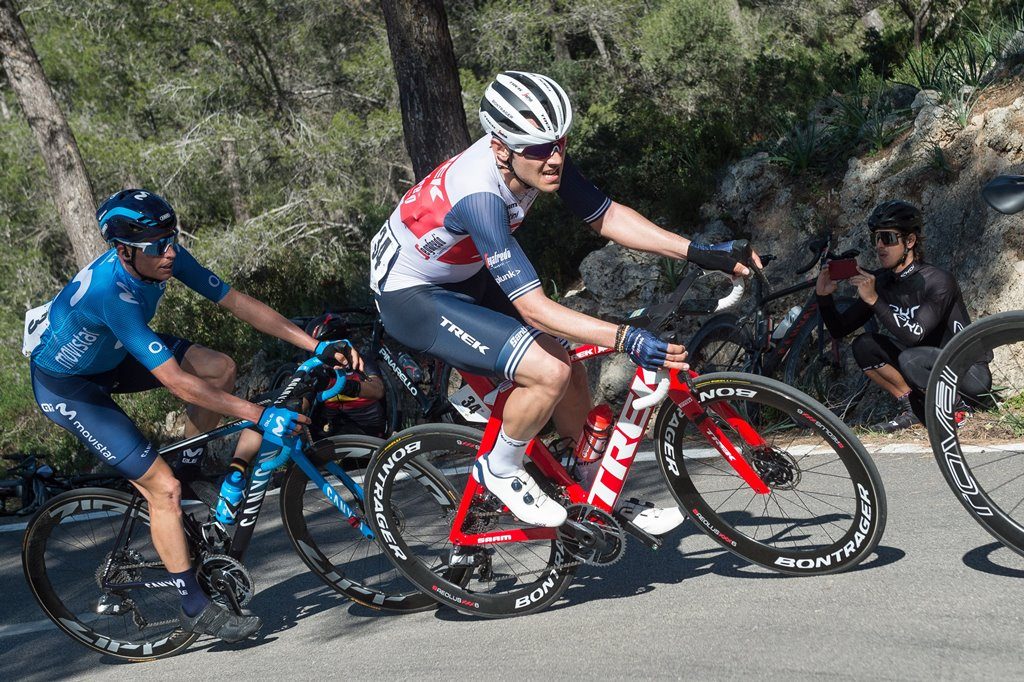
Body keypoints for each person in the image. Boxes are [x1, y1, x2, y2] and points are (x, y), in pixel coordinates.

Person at [370, 71, 756, 530]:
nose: (554, 158)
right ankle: (500, 468)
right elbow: (534, 307)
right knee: (548, 371)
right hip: (412, 296)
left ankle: (589, 483)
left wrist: (699, 250)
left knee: (568, 366)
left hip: (463, 273)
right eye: (538, 149)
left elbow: (607, 215)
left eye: (560, 143)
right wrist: (624, 338)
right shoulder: (480, 196)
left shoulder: (533, 156)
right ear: (499, 148)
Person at [29, 189, 357, 642]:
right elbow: (179, 385)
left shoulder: (161, 256)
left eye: (171, 239)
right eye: (156, 246)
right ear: (124, 250)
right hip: (70, 386)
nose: (169, 252)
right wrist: (259, 414)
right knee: (162, 489)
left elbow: (236, 302)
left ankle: (188, 466)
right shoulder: (111, 294)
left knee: (219, 368)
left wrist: (313, 345)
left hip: (112, 355)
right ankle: (192, 604)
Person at [815, 199, 991, 433]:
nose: (879, 246)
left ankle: (955, 408)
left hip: (968, 375)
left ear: (909, 241)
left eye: (887, 238)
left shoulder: (938, 280)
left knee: (911, 357)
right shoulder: (883, 281)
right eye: (875, 238)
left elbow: (914, 335)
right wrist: (823, 297)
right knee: (864, 345)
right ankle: (915, 409)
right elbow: (839, 330)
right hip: (923, 367)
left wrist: (874, 300)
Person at [305, 313, 387, 438]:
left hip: (367, 428)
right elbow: (304, 399)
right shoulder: (317, 370)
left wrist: (339, 385)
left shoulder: (361, 362)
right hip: (329, 427)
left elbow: (378, 390)